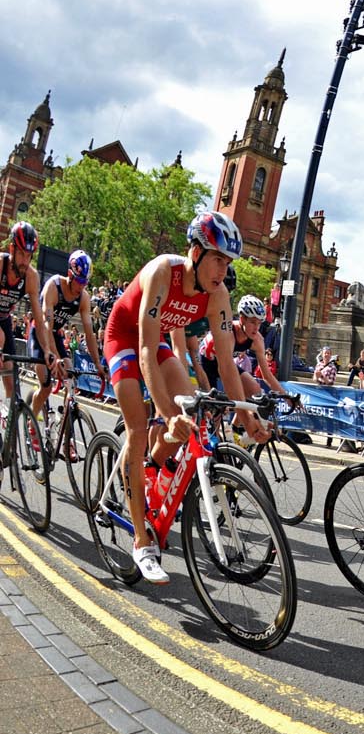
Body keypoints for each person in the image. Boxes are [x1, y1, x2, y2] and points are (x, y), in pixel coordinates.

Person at [100, 212, 268, 585]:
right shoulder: (165, 271)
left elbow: (227, 364)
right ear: (195, 252)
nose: (223, 270)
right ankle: (142, 541)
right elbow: (144, 349)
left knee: (192, 414)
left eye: (228, 262)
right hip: (125, 336)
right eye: (217, 259)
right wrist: (163, 411)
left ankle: (147, 470)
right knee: (140, 428)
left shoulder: (219, 295)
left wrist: (245, 417)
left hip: (155, 341)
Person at [28, 249, 103, 434]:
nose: (81, 287)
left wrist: (97, 364)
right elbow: (46, 324)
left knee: (70, 378)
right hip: (40, 334)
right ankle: (31, 421)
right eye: (79, 281)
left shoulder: (83, 297)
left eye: (85, 283)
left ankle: (65, 435)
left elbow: (90, 333)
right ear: (70, 273)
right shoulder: (53, 287)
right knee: (46, 387)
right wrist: (52, 355)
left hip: (55, 335)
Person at [0, 223, 65, 422]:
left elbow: (39, 317)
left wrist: (46, 350)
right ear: (12, 250)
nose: (25, 262)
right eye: (21, 255)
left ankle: (9, 444)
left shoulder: (31, 276)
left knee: (12, 382)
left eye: (29, 256)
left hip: (4, 319)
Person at [198, 295, 286, 396]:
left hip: (225, 364)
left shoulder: (257, 339)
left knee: (255, 389)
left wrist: (286, 397)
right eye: (252, 322)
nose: (256, 328)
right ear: (242, 319)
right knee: (213, 405)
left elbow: (267, 375)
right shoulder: (229, 333)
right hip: (206, 363)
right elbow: (225, 370)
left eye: (259, 323)